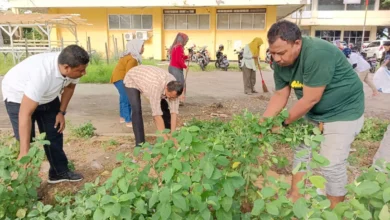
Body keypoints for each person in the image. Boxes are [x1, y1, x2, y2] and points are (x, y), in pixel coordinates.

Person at [262, 20, 364, 209]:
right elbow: (280, 94)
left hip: (344, 110)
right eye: (272, 52)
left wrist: (283, 123)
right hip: (313, 112)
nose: (276, 58)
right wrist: (264, 123)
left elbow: (310, 99)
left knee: (331, 164)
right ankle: (295, 196)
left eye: (281, 53)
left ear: (297, 43)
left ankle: (336, 211)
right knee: (301, 152)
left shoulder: (317, 53)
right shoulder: (280, 62)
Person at [2, 45, 89, 184]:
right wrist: (25, 152)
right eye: (81, 70)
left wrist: (61, 112)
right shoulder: (41, 74)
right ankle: (24, 180)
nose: (84, 73)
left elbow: (70, 87)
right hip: (18, 96)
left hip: (48, 96)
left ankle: (58, 172)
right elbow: (25, 114)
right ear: (66, 67)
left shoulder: (73, 66)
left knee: (54, 132)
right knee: (26, 140)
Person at [123, 65, 184, 147]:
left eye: (173, 97)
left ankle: (168, 132)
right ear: (166, 87)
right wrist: (166, 141)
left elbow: (174, 113)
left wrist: (174, 136)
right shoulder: (155, 87)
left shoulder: (174, 87)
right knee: (136, 109)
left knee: (164, 106)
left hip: (149, 79)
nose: (170, 98)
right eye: (169, 95)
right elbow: (156, 116)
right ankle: (140, 144)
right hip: (133, 78)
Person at [110, 39, 144, 127]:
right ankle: (128, 120)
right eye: (142, 46)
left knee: (123, 98)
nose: (143, 48)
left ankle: (122, 117)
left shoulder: (129, 56)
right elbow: (129, 74)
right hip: (121, 78)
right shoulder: (132, 59)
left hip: (117, 78)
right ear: (136, 47)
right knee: (127, 99)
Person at [168, 33, 189, 105]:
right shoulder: (179, 47)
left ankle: (174, 99)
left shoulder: (175, 46)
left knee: (175, 84)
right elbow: (178, 60)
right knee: (180, 84)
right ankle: (179, 100)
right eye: (186, 40)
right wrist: (185, 67)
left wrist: (186, 57)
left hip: (173, 68)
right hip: (175, 68)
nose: (186, 42)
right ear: (183, 40)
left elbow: (179, 56)